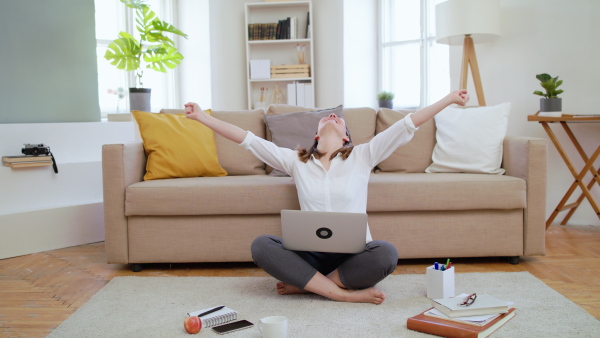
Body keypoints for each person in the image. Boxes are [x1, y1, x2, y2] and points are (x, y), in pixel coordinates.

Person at [185, 90, 470, 305]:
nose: (333, 117)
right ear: (316, 133)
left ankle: (309, 286)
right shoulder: (296, 160)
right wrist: (202, 117)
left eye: (339, 119)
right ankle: (343, 295)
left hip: (353, 256)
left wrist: (448, 99)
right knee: (262, 246)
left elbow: (407, 124)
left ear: (346, 137)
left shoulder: (362, 156)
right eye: (326, 117)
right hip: (310, 255)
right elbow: (247, 139)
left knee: (387, 254)